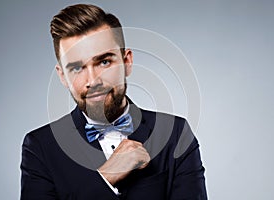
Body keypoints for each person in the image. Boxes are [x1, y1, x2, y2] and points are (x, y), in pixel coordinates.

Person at [20, 4, 207, 200]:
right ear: (63, 76)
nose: (92, 81)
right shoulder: (39, 147)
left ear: (127, 62)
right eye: (76, 68)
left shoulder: (175, 134)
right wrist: (107, 176)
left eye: (104, 62)